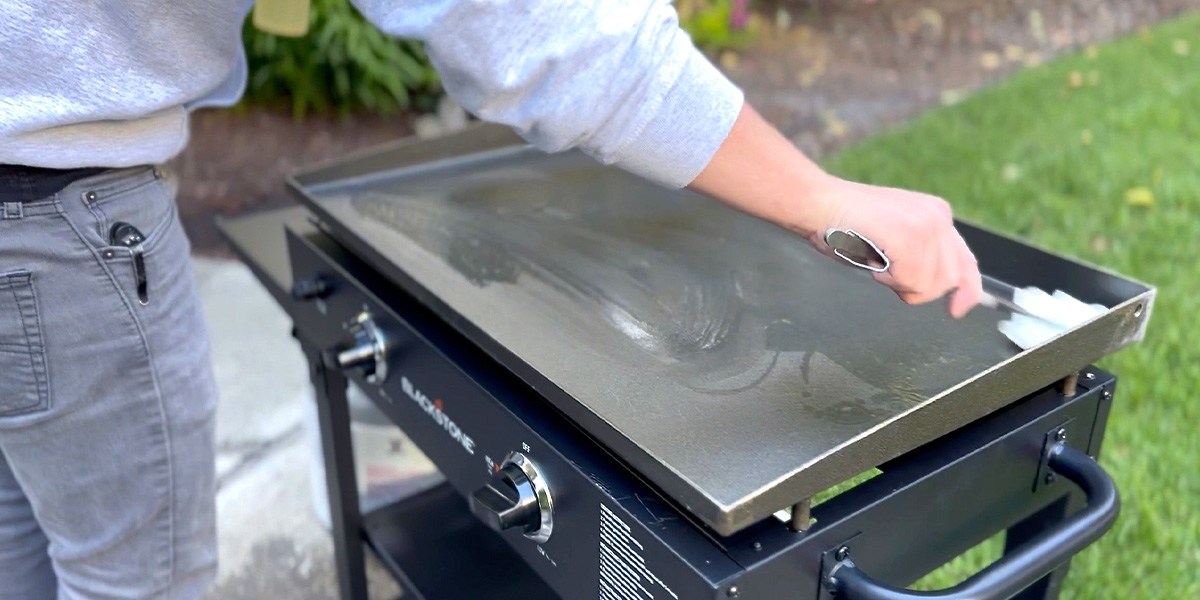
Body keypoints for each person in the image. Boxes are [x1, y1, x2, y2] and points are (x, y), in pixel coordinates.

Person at [0, 1, 981, 598]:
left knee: (22, 545)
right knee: (135, 582)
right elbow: (542, 28)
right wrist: (822, 200)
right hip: (50, 213)